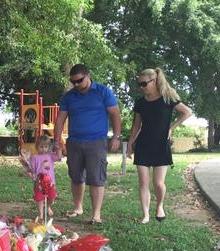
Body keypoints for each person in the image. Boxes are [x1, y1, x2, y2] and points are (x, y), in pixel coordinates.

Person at [53, 64, 122, 224]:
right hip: (74, 142)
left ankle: (96, 215)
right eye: (73, 82)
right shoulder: (69, 97)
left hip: (97, 142)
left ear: (88, 76)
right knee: (76, 176)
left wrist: (116, 137)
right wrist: (57, 141)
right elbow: (60, 119)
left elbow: (115, 114)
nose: (76, 85)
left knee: (97, 177)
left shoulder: (103, 92)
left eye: (79, 81)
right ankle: (78, 207)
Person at [127, 68, 192, 224]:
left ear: (154, 81)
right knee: (143, 181)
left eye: (144, 84)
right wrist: (130, 144)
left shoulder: (167, 98)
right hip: (143, 144)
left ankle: (160, 205)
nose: (141, 87)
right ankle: (145, 215)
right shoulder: (140, 102)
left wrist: (171, 127)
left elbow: (187, 112)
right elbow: (136, 126)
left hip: (161, 144)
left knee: (158, 183)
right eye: (139, 84)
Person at [22, 135, 59, 222]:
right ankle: (40, 214)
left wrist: (59, 148)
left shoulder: (50, 156)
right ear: (37, 146)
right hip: (38, 182)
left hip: (50, 182)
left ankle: (48, 206)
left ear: (49, 147)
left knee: (52, 196)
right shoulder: (34, 157)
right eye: (41, 147)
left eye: (46, 147)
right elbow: (31, 168)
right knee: (39, 198)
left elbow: (59, 156)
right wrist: (28, 169)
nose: (43, 149)